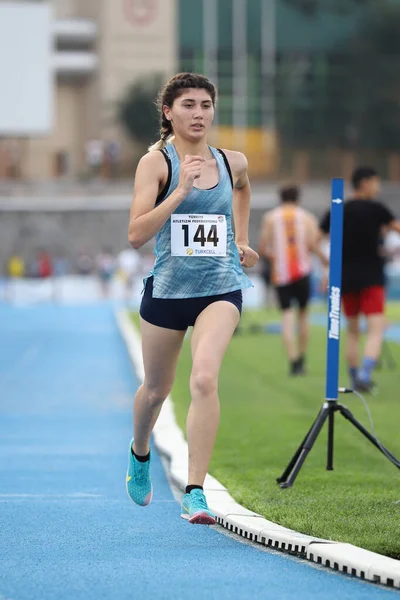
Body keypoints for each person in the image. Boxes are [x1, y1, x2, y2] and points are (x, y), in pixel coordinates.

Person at [125, 72, 259, 524]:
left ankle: (195, 490)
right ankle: (139, 451)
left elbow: (242, 188)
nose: (198, 113)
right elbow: (135, 235)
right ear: (168, 112)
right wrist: (180, 191)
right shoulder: (156, 164)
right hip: (168, 292)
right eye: (188, 105)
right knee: (155, 391)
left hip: (220, 287)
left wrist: (241, 238)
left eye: (205, 105)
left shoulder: (231, 161)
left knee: (203, 379)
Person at [320, 166, 400, 392]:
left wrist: (327, 263)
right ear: (364, 182)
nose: (378, 187)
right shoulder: (377, 209)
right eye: (376, 182)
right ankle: (365, 373)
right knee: (376, 328)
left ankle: (355, 378)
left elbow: (315, 238)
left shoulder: (339, 209)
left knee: (353, 331)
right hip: (372, 275)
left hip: (345, 277)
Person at [258, 185, 328, 376]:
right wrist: (324, 262)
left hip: (282, 274)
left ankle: (293, 360)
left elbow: (263, 248)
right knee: (304, 315)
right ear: (298, 198)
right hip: (303, 272)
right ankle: (302, 358)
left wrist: (276, 257)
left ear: (280, 198)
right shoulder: (307, 217)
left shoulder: (271, 218)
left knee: (287, 317)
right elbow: (313, 244)